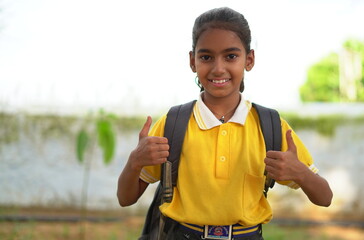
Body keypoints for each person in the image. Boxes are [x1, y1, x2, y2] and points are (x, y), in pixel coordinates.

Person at [117, 7, 333, 240]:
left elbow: (325, 198)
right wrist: (134, 161)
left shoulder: (270, 126)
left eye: (230, 56)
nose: (218, 68)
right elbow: (125, 198)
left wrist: (299, 172)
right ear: (193, 61)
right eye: (206, 57)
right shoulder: (173, 123)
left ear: (249, 60)